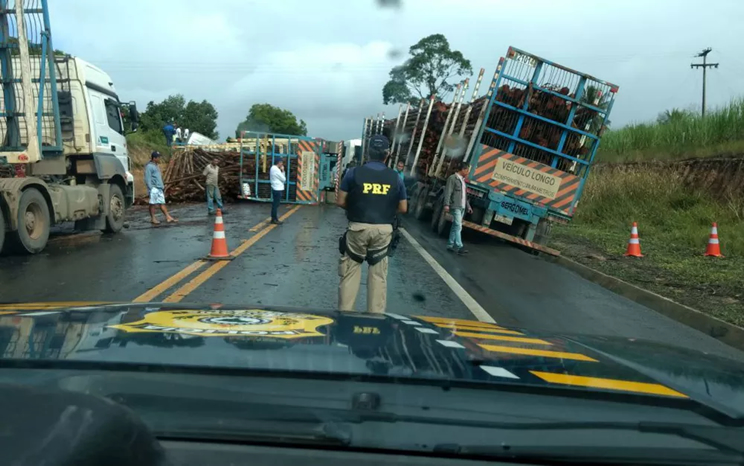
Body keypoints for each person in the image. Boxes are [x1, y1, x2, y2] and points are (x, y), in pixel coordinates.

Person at [336, 135, 407, 314]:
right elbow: (403, 207)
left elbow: (340, 201)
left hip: (357, 227)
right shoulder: (395, 177)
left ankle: (345, 315)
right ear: (387, 154)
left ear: (367, 153)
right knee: (378, 276)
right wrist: (385, 209)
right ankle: (375, 318)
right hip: (383, 230)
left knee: (350, 271)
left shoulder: (353, 173)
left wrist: (355, 208)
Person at [443, 161, 472, 255]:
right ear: (463, 169)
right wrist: (446, 204)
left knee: (455, 226)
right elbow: (448, 192)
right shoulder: (452, 178)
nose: (468, 172)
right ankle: (459, 246)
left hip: (462, 206)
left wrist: (468, 206)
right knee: (458, 226)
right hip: (455, 206)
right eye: (467, 170)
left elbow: (464, 196)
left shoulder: (462, 181)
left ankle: (450, 245)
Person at [145, 151, 177, 225]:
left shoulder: (156, 165)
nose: (159, 159)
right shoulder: (149, 166)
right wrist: (151, 188)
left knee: (162, 203)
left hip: (159, 188)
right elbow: (147, 178)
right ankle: (153, 218)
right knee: (152, 204)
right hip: (154, 188)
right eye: (158, 157)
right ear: (154, 158)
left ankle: (168, 217)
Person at [269, 158, 286, 224]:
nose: (282, 164)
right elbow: (283, 179)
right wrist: (283, 171)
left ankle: (274, 218)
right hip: (277, 188)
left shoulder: (273, 168)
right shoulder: (276, 169)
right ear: (278, 163)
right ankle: (274, 219)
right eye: (281, 162)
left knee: (275, 204)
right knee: (276, 204)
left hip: (275, 187)